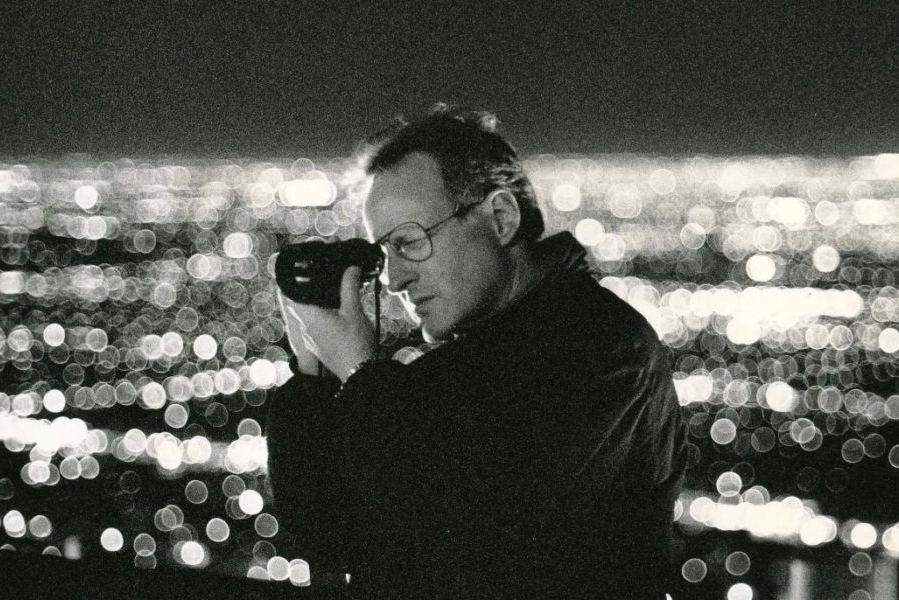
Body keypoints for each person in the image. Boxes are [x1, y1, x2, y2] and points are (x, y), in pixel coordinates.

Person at [267, 104, 687, 598]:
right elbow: (329, 532)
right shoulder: (464, 362)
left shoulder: (606, 353)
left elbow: (468, 534)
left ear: (501, 218)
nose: (396, 279)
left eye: (409, 242)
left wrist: (362, 374)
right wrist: (313, 376)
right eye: (384, 255)